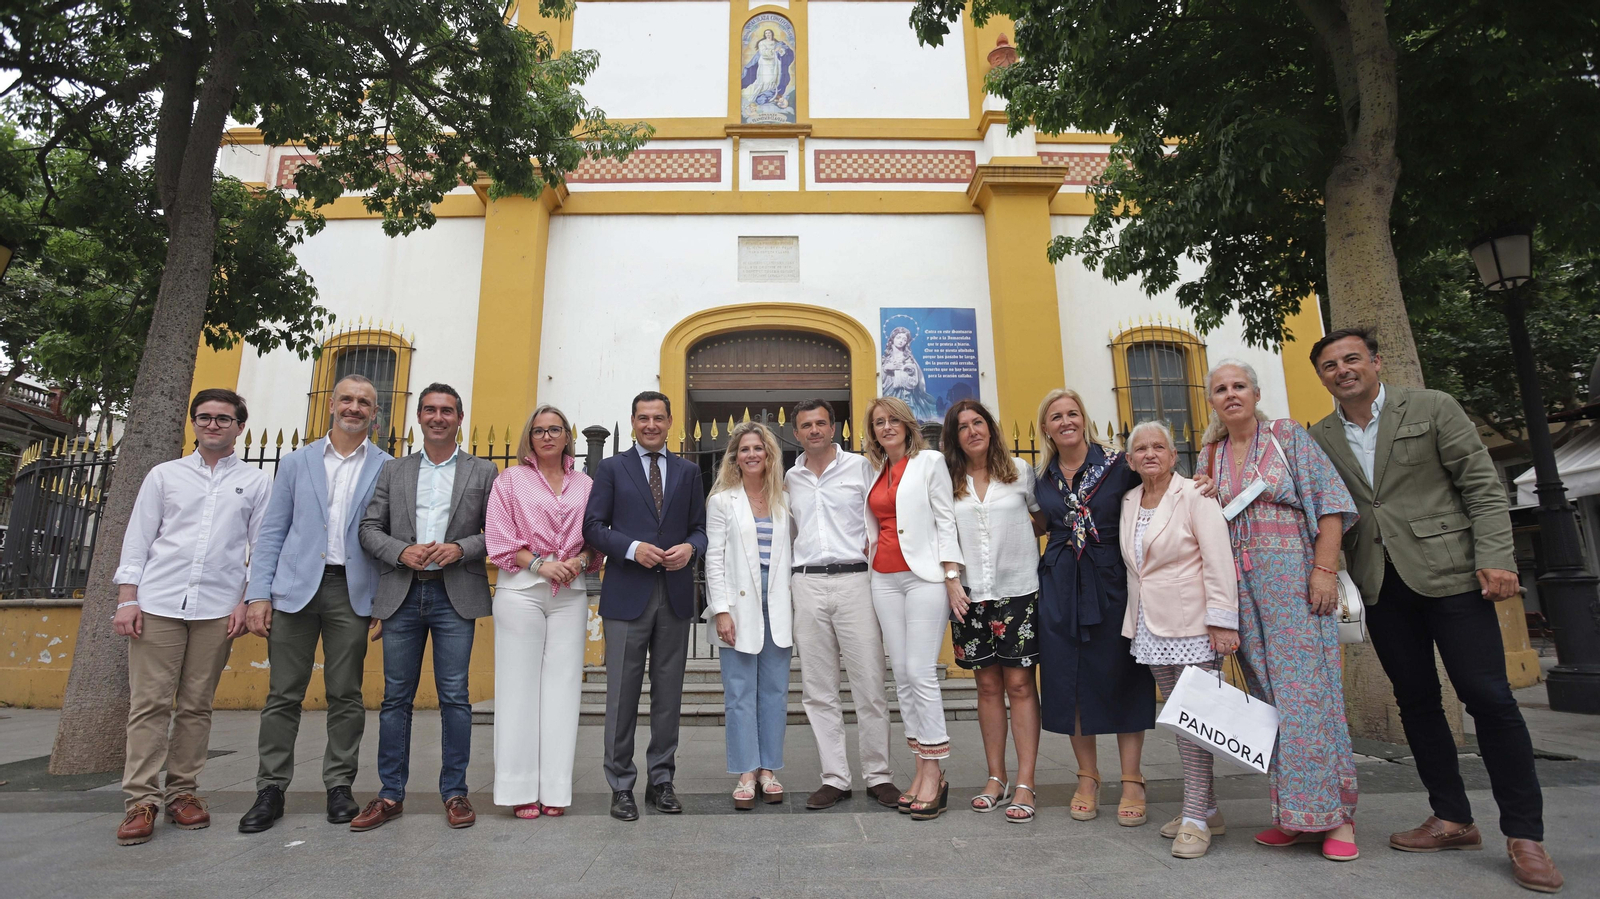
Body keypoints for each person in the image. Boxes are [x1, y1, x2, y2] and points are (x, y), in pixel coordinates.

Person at [1308, 328, 1560, 892]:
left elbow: (1480, 482)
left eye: (1352, 359)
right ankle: (1452, 817)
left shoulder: (1431, 406)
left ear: (1375, 362)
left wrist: (1496, 556)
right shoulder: (1319, 435)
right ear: (1321, 377)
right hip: (1382, 584)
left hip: (1450, 576)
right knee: (1417, 702)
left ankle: (1525, 835)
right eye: (1330, 365)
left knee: (1489, 697)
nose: (1343, 370)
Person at [1199, 358, 1360, 861]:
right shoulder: (1210, 455)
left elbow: (1330, 503)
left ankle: (1338, 820)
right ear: (1212, 400)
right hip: (1241, 590)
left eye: (1239, 386)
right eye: (1221, 388)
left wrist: (1324, 570)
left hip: (1294, 581)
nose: (1231, 394)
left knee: (1309, 699)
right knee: (1270, 704)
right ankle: (1294, 815)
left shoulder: (1286, 437)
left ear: (1255, 392)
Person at [111, 389, 271, 846]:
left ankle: (184, 792)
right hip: (159, 601)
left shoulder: (257, 482)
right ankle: (140, 800)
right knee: (149, 704)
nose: (213, 425)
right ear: (194, 423)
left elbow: (260, 548)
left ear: (240, 426)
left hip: (218, 606)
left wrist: (247, 600)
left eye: (224, 418)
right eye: (204, 417)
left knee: (197, 704)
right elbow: (139, 537)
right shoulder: (165, 476)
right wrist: (128, 598)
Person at [240, 375, 391, 833]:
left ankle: (339, 786)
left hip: (352, 591)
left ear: (374, 413)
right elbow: (271, 533)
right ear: (331, 404)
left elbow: (389, 536)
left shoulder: (387, 466)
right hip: (293, 590)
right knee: (283, 693)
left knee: (346, 693)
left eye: (364, 402)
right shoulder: (296, 462)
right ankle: (271, 789)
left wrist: (383, 601)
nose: (354, 407)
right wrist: (258, 594)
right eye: (347, 399)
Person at [353, 383, 498, 831]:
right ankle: (390, 794)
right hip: (401, 592)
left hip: (455, 594)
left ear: (459, 418)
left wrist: (460, 547)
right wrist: (400, 551)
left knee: (455, 695)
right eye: (430, 410)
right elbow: (368, 527)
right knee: (396, 696)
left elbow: (499, 531)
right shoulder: (394, 470)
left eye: (447, 411)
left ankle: (455, 793)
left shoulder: (484, 470)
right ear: (419, 416)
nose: (438, 417)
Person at [583, 391, 707, 821]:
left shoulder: (689, 471)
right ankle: (620, 784)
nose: (650, 425)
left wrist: (691, 549)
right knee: (621, 695)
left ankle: (662, 780)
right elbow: (593, 527)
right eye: (642, 418)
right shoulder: (611, 468)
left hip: (673, 594)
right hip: (626, 593)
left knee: (669, 693)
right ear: (632, 422)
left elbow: (699, 529)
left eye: (658, 418)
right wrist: (633, 548)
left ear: (670, 421)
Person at [1033, 388, 1154, 827]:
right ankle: (1087, 777)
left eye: (1072, 413)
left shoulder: (1119, 466)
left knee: (1122, 673)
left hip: (1111, 582)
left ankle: (1132, 778)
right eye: (1056, 416)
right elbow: (1036, 524)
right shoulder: (1041, 478)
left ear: (1083, 418)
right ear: (1045, 428)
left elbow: (1161, 488)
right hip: (1061, 584)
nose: (1065, 421)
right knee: (1068, 679)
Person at [1118, 420, 1238, 859]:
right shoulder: (1130, 498)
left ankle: (1193, 817)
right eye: (1141, 449)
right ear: (1129, 461)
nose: (1150, 454)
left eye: (1159, 447)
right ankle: (1208, 809)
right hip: (1149, 625)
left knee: (1195, 722)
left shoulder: (1195, 495)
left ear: (1173, 455)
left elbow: (1218, 558)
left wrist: (1224, 622)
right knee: (1182, 720)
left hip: (1192, 625)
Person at [484, 405, 600, 820]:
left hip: (571, 591)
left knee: (564, 688)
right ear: (529, 438)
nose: (547, 436)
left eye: (555, 429)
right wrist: (540, 564)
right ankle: (519, 789)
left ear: (567, 436)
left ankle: (554, 789)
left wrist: (581, 562)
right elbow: (498, 536)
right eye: (539, 430)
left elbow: (596, 535)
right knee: (518, 688)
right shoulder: (510, 480)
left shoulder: (586, 484)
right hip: (521, 590)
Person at [785, 399, 901, 811]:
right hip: (808, 584)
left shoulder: (862, 469)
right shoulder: (789, 479)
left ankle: (879, 775)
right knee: (818, 690)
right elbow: (790, 534)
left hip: (856, 580)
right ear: (795, 433)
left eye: (820, 423)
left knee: (869, 684)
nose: (814, 430)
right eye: (805, 426)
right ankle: (834, 777)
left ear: (833, 428)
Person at [939, 399, 1045, 823]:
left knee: (1019, 685)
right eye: (962, 426)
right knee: (986, 688)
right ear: (954, 436)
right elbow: (942, 534)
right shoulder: (947, 481)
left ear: (990, 427)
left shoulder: (1019, 472)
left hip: (1018, 591)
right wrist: (950, 579)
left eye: (978, 422)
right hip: (969, 595)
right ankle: (996, 777)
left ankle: (1026, 782)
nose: (972, 431)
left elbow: (1042, 521)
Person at [863, 396, 963, 821]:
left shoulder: (930, 463)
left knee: (921, 671)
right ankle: (922, 768)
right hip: (883, 578)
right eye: (879, 423)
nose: (886, 427)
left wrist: (952, 576)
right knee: (902, 674)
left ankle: (934, 772)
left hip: (924, 578)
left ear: (907, 424)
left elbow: (945, 520)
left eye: (892, 421)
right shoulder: (874, 470)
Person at [705, 422, 794, 809]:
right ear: (735, 457)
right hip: (739, 601)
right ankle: (745, 770)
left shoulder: (784, 499)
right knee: (740, 693)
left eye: (758, 448)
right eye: (745, 449)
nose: (752, 454)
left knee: (774, 692)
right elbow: (713, 559)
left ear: (769, 454)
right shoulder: (722, 500)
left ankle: (769, 769)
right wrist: (721, 611)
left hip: (777, 601)